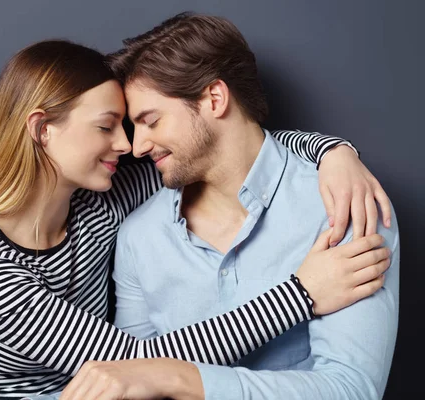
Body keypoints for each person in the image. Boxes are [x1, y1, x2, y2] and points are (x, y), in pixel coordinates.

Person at [0, 40, 392, 400]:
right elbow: (136, 359)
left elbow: (226, 147)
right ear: (42, 129)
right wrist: (301, 293)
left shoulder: (101, 199)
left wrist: (332, 153)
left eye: (133, 125)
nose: (129, 145)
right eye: (107, 127)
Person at [60, 12, 399, 400]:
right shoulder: (140, 235)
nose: (136, 147)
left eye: (151, 121)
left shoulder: (342, 204)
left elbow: (351, 390)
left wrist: (181, 379)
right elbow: (135, 374)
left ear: (214, 98)